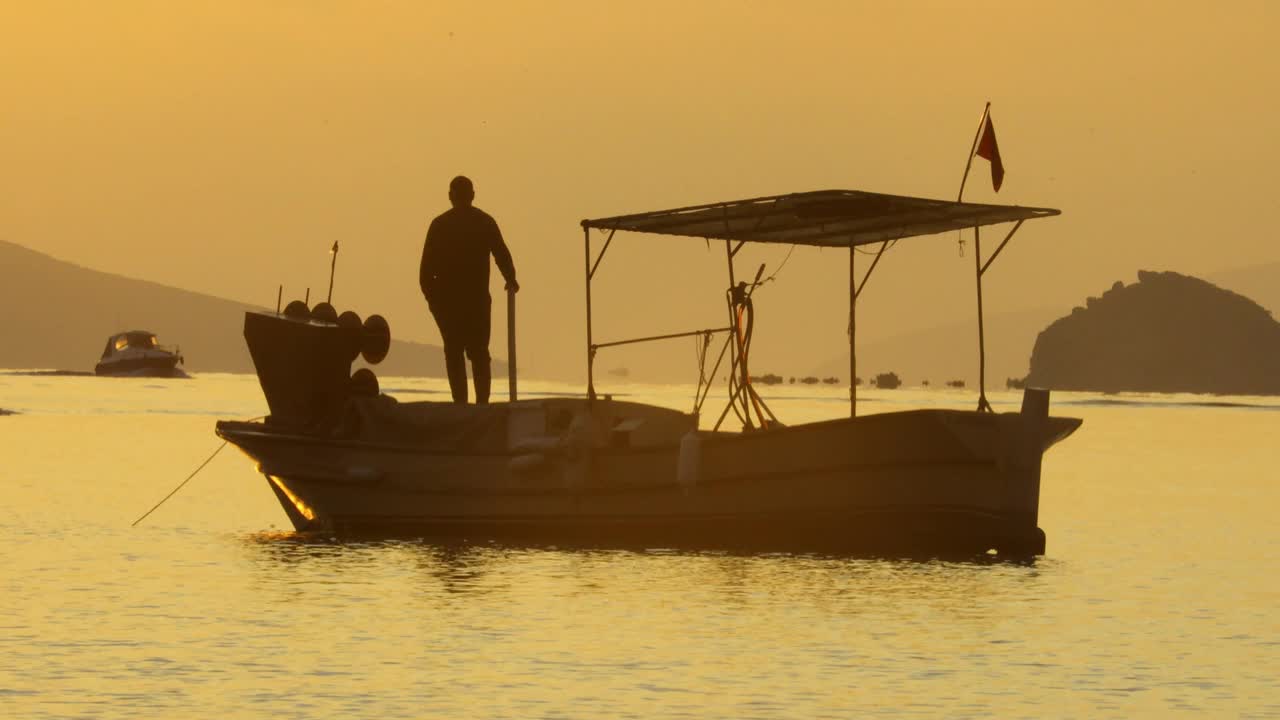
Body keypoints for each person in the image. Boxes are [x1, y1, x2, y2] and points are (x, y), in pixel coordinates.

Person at [419, 176, 519, 404]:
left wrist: (436, 305)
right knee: (477, 355)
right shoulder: (481, 222)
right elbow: (502, 255)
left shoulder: (443, 225)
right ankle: (477, 407)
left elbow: (425, 276)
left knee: (462, 355)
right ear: (472, 195)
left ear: (451, 196)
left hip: (461, 306)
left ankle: (464, 407)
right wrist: (511, 278)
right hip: (467, 305)